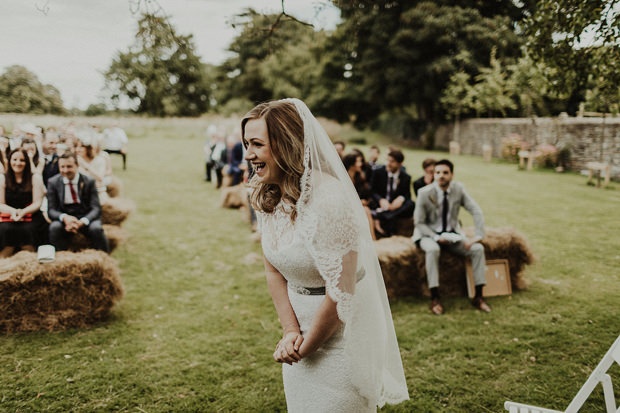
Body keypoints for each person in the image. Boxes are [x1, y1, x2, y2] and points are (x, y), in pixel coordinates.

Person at [242, 99, 408, 411]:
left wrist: (307, 345)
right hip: (299, 342)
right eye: (245, 144)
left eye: (256, 144)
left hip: (342, 345)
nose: (248, 154)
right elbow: (274, 271)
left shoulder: (329, 200)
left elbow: (341, 287)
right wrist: (291, 332)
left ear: (285, 144)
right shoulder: (269, 194)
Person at [412, 159, 490, 315]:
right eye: (438, 172)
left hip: (452, 236)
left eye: (445, 173)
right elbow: (419, 223)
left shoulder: (458, 189)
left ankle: (479, 296)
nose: (441, 176)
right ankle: (435, 298)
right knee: (433, 250)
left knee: (478, 249)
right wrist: (435, 237)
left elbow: (476, 210)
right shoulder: (424, 193)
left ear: (452, 175)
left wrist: (478, 235)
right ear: (433, 174)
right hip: (428, 235)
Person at [47, 152, 109, 253]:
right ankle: (61, 257)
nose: (65, 170)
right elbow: (51, 210)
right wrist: (65, 218)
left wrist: (83, 221)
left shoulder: (89, 181)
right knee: (54, 227)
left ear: (77, 165)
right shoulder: (53, 182)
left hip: (85, 216)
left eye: (69, 166)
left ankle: (104, 257)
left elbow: (96, 208)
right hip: (65, 218)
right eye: (62, 167)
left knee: (96, 228)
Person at [0, 149, 46, 257]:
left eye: (22, 160)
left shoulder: (35, 178)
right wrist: (14, 212)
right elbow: (0, 203)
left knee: (27, 229)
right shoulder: (2, 178)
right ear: (9, 160)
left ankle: (30, 257)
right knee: (6, 229)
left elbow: (37, 202)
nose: (18, 163)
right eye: (14, 159)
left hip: (31, 215)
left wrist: (22, 212)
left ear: (27, 162)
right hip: (8, 216)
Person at [369, 149, 415, 237]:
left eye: (392, 162)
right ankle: (388, 216)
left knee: (411, 204)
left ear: (400, 164)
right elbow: (372, 190)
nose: (388, 164)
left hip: (395, 207)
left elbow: (407, 194)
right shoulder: (378, 172)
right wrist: (380, 200)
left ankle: (386, 215)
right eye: (387, 160)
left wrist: (401, 199)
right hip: (380, 203)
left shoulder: (406, 177)